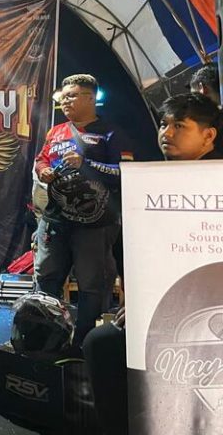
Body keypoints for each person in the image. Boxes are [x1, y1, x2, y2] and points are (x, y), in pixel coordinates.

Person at [83, 92, 222, 435]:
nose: (167, 133)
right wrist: (138, 304)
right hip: (163, 310)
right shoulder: (152, 182)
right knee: (101, 343)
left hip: (208, 312)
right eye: (163, 125)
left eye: (180, 126)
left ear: (208, 135)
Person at [34, 73, 132, 346]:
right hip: (55, 220)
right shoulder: (55, 132)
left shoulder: (111, 132)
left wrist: (86, 164)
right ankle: (46, 336)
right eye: (63, 97)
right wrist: (43, 171)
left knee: (92, 284)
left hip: (95, 225)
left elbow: (125, 171)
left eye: (72, 96)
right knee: (47, 277)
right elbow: (41, 159)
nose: (65, 102)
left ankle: (83, 343)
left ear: (91, 98)